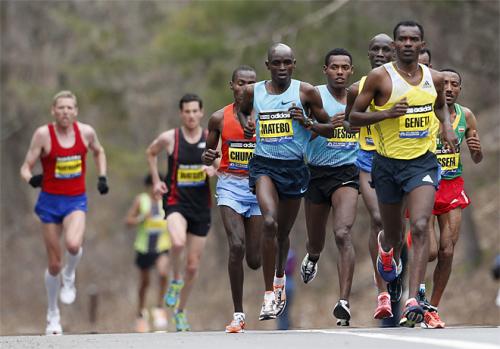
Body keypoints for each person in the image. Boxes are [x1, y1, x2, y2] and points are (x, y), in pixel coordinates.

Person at [350, 20, 457, 327]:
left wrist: (447, 128)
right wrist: (386, 114)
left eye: (414, 39)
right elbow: (353, 119)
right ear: (395, 45)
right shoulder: (379, 78)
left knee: (421, 225)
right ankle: (386, 251)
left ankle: (413, 299)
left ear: (422, 45)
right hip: (386, 164)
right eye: (403, 39)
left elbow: (440, 108)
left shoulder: (434, 78)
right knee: (393, 233)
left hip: (421, 162)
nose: (408, 44)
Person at [238, 43, 330, 320]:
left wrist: (306, 121)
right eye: (276, 63)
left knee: (281, 234)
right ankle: (268, 295)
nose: (281, 68)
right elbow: (241, 111)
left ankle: (279, 279)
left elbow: (327, 126)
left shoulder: (306, 92)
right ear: (267, 65)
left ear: (293, 64)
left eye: (286, 63)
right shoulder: (253, 92)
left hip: (294, 169)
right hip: (264, 165)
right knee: (269, 222)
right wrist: (246, 124)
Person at [20, 90, 109, 335]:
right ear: (53, 111)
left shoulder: (86, 132)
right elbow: (25, 167)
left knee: (72, 245)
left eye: (69, 108)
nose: (65, 112)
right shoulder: (43, 135)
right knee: (53, 263)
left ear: (76, 111)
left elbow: (99, 151)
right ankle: (52, 314)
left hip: (75, 201)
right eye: (61, 108)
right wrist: (32, 180)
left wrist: (102, 177)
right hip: (49, 203)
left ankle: (70, 275)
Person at [146, 94, 216, 331]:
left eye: (195, 111)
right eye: (187, 111)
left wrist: (212, 168)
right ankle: (175, 280)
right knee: (176, 243)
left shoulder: (210, 138)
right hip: (176, 202)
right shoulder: (170, 138)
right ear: (181, 114)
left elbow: (220, 162)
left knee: (193, 266)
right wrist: (156, 181)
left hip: (201, 207)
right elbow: (150, 152)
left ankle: (180, 311)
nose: (191, 116)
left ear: (202, 112)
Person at [202, 65, 264, 333]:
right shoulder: (218, 118)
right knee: (236, 246)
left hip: (260, 187)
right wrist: (208, 157)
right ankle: (238, 313)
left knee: (254, 259)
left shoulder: (266, 115)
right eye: (241, 83)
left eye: (251, 83)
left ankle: (274, 285)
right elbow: (209, 151)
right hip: (230, 186)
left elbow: (282, 145)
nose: (246, 88)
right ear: (232, 86)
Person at [300, 48, 359, 326]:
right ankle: (312, 256)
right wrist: (323, 124)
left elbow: (368, 127)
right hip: (316, 173)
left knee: (343, 232)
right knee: (316, 241)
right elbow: (301, 131)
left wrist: (353, 126)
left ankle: (343, 301)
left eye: (344, 67)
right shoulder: (314, 96)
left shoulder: (359, 98)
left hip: (347, 172)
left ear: (351, 71)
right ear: (325, 70)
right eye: (334, 67)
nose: (339, 71)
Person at [420, 68, 483, 328]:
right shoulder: (424, 112)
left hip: (452, 185)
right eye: (443, 83)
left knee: (447, 250)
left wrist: (476, 151)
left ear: (460, 88)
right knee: (431, 252)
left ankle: (432, 308)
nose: (448, 87)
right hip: (424, 185)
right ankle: (414, 290)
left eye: (454, 84)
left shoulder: (466, 116)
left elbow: (477, 157)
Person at [345, 33, 397, 321]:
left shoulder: (404, 84)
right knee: (378, 219)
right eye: (375, 48)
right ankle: (383, 293)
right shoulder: (357, 88)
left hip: (400, 161)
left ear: (394, 52)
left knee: (396, 225)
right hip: (367, 160)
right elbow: (350, 120)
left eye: (385, 49)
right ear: (368, 53)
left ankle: (392, 263)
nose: (380, 53)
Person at [125, 173, 171, 333]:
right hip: (144, 247)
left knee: (163, 272)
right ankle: (141, 313)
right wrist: (141, 218)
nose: (155, 188)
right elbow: (128, 221)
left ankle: (159, 308)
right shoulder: (141, 200)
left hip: (162, 246)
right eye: (152, 184)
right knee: (145, 283)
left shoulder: (167, 200)